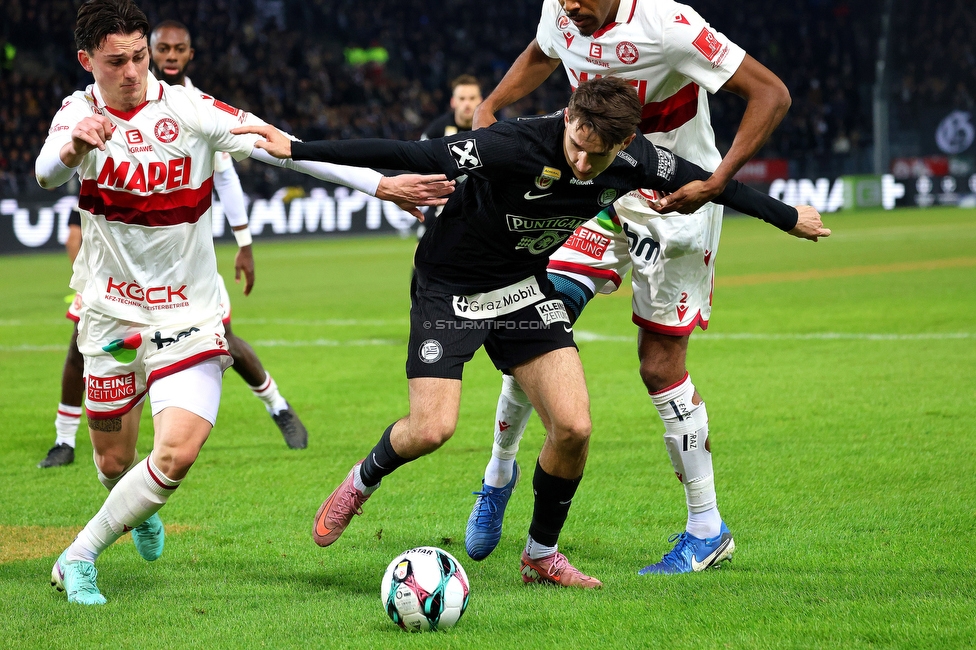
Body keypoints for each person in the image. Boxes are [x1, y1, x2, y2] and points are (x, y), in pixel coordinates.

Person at [233, 75, 828, 589]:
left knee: (573, 427)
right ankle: (360, 481)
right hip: (450, 286)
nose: (581, 164)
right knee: (432, 428)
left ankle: (541, 555)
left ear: (624, 143)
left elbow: (715, 180)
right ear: (568, 118)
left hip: (521, 287)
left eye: (598, 157)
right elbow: (409, 151)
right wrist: (298, 148)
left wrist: (788, 217)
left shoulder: (635, 159)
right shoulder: (512, 144)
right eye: (575, 145)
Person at [36, 0, 453, 606]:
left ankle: (79, 556)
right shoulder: (76, 113)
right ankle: (130, 506)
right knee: (111, 459)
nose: (132, 70)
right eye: (115, 60)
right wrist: (75, 146)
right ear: (87, 61)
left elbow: (282, 147)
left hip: (190, 312)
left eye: (139, 55)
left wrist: (380, 184)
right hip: (110, 311)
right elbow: (47, 172)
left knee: (175, 451)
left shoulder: (190, 109)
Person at [466, 0, 798, 574]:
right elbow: (542, 52)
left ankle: (706, 528)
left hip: (676, 206)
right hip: (599, 191)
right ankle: (498, 475)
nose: (570, 7)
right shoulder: (563, 11)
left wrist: (715, 183)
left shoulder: (668, 23)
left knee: (659, 366)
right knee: (536, 318)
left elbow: (772, 93)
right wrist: (492, 105)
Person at [150, 19, 307, 448]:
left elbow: (226, 179)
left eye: (178, 49)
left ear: (189, 54)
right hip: (130, 266)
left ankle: (279, 407)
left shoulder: (201, 108)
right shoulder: (126, 104)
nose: (170, 56)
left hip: (189, 264)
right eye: (162, 48)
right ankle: (67, 439)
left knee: (225, 344)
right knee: (86, 348)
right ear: (149, 51)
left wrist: (244, 243)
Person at [37, 215, 85, 468]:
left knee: (78, 356)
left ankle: (65, 442)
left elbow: (72, 239)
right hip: (164, 278)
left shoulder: (97, 177)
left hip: (106, 278)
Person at [416, 75, 482, 239]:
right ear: (453, 101)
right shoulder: (437, 131)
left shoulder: (489, 128)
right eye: (462, 98)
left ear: (480, 100)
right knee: (422, 254)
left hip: (481, 204)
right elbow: (419, 162)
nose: (467, 103)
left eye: (472, 98)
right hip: (444, 203)